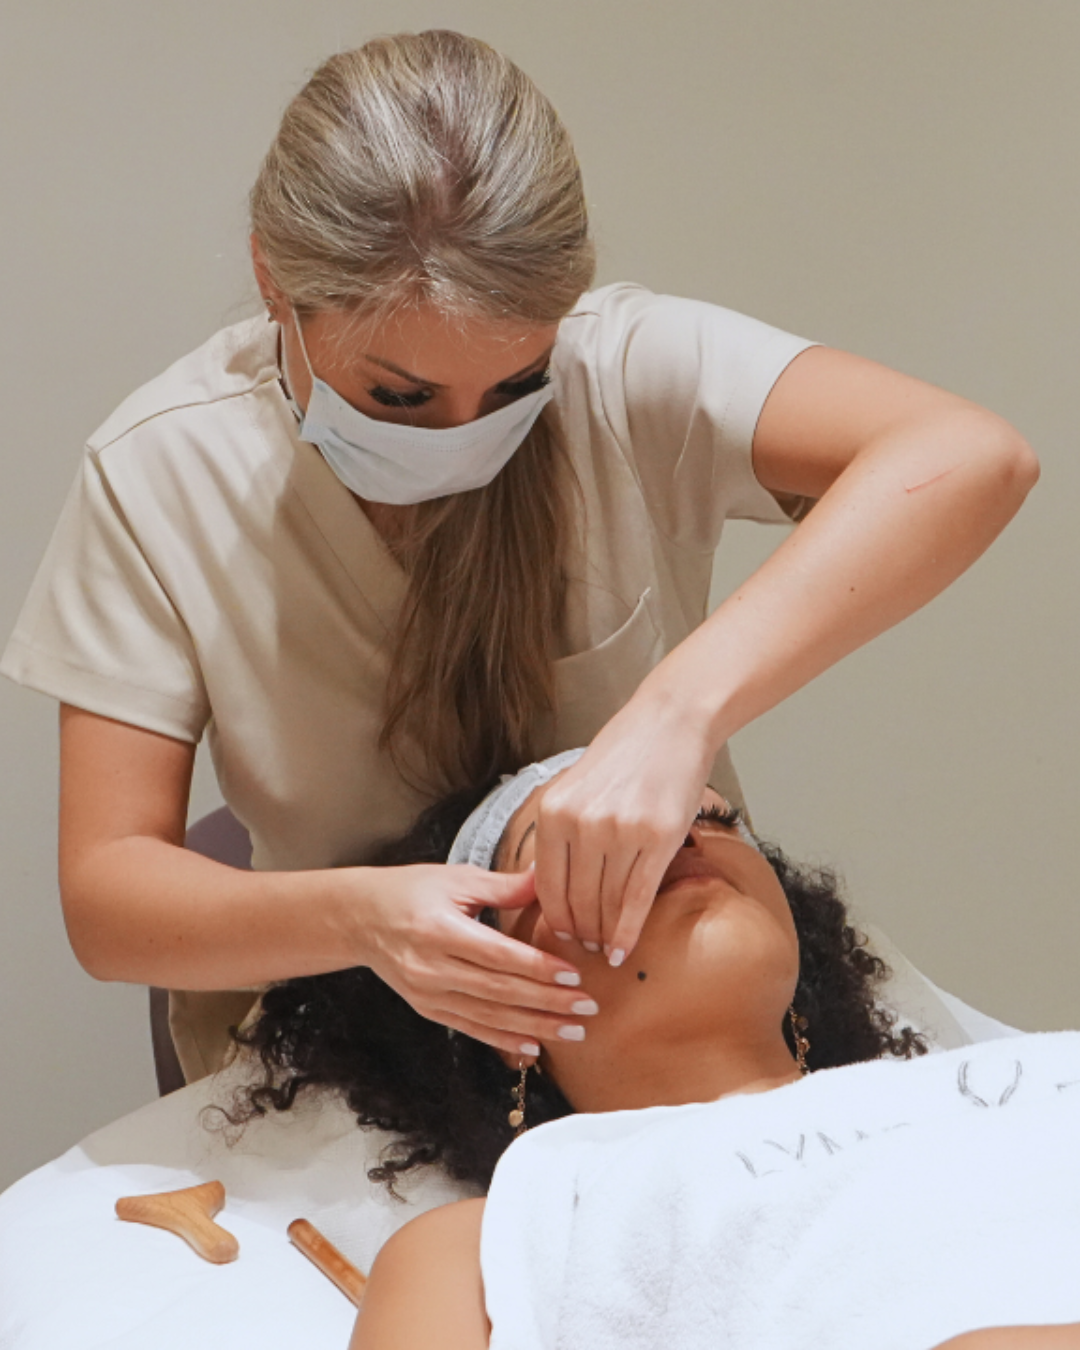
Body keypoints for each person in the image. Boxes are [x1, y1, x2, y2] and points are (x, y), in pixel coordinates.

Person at [2, 31, 1038, 1082]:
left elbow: (972, 455)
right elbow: (110, 897)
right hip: (370, 1048)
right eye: (399, 395)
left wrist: (677, 714)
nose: (463, 434)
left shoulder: (621, 369)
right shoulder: (162, 472)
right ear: (275, 278)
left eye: (513, 385)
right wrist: (361, 922)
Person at [224, 752, 1080, 1350]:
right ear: (488, 991)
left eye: (711, 816)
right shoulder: (492, 1241)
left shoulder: (1031, 1073)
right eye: (577, 843)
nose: (673, 833)